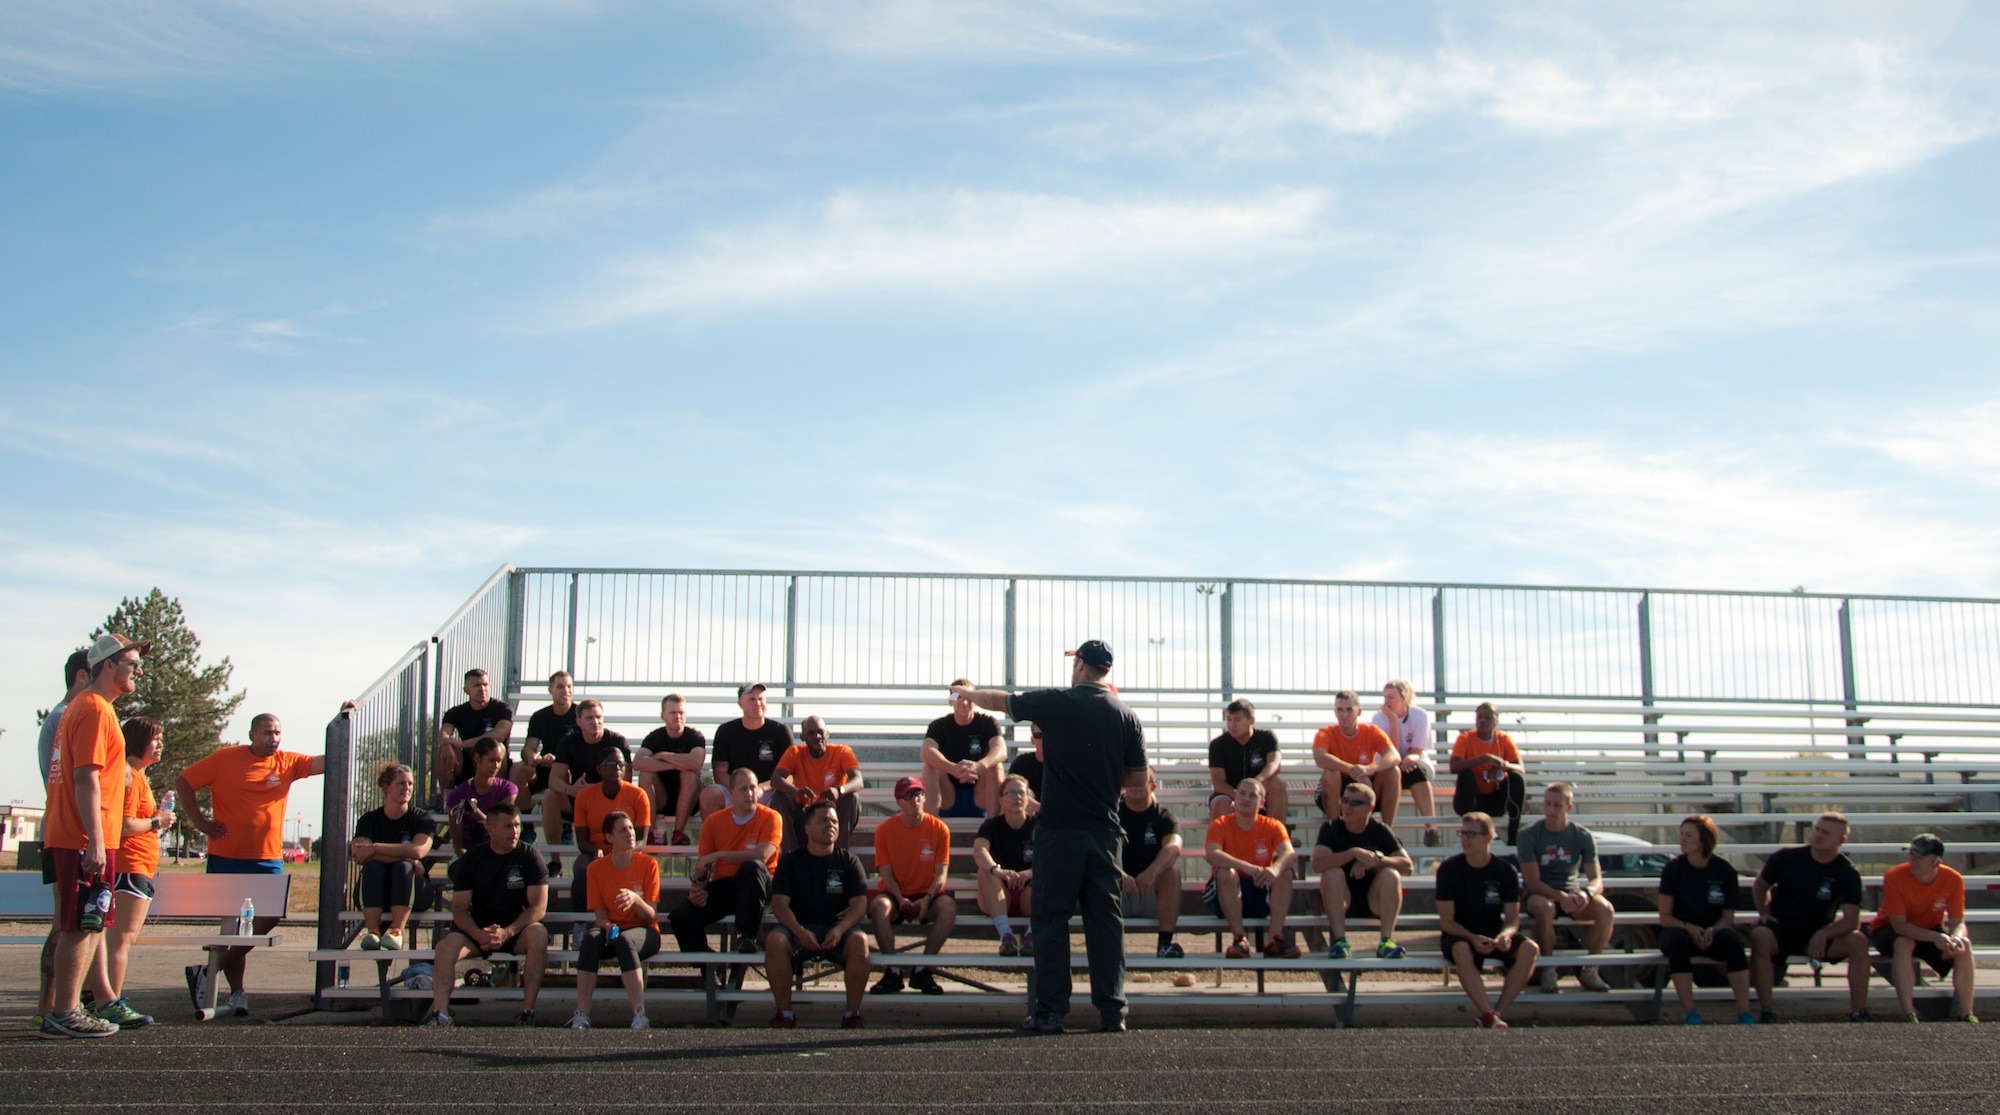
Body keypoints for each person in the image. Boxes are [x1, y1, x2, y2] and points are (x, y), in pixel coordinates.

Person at [954, 639, 1148, 1034]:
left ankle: (1050, 1011)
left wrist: (968, 694)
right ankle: (1113, 1011)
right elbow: (1139, 783)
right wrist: (1106, 780)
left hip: (1060, 830)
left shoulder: (1059, 702)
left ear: (1080, 665)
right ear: (1106, 670)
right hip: (1104, 832)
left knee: (1050, 920)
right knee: (1105, 923)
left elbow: (1003, 701)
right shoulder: (1128, 716)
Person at [177, 711, 325, 1017]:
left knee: (270, 916)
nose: (274, 739)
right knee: (232, 928)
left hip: (267, 858)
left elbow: (328, 760)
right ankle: (237, 992)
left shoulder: (287, 762)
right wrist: (200, 822)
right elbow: (184, 781)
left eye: (278, 733)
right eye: (268, 733)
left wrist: (345, 718)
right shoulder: (225, 759)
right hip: (226, 856)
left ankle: (207, 972)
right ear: (252, 735)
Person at [42, 633, 146, 1038]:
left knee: (88, 922)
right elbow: (85, 777)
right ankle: (64, 1012)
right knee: (78, 924)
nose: (138, 670)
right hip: (83, 837)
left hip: (83, 835)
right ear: (107, 665)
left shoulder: (86, 708)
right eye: (132, 663)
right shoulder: (95, 709)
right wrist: (96, 840)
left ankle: (68, 1010)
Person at [424, 803, 550, 1028]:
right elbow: (460, 908)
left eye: (518, 826)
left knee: (539, 935)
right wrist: (477, 933)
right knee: (445, 947)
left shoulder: (531, 857)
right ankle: (440, 1014)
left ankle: (527, 1013)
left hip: (515, 930)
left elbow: (538, 908)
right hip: (477, 930)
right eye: (508, 826)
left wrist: (507, 932)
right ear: (490, 829)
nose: (515, 832)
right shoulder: (473, 859)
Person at [1749, 811, 1870, 1023]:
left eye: (1826, 832)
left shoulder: (1847, 872)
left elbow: (1852, 920)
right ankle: (1766, 1011)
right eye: (1817, 829)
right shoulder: (1787, 858)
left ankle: (1859, 1012)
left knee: (1858, 941)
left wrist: (1825, 932)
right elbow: (1760, 884)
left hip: (1820, 936)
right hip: (1782, 931)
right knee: (1759, 936)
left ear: (1841, 840)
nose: (1818, 835)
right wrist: (1764, 913)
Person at [765, 799, 871, 1029]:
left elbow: (860, 904)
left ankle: (852, 1014)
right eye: (823, 820)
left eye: (834, 821)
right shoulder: (791, 862)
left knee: (860, 941)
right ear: (807, 828)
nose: (830, 825)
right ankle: (785, 1014)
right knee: (774, 940)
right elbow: (780, 904)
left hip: (837, 931)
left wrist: (840, 929)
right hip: (799, 930)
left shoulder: (849, 862)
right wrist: (799, 931)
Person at [1436, 810, 1539, 1029]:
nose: (1465, 839)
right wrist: (1472, 938)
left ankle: (1495, 1013)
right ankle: (1487, 1012)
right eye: (1462, 834)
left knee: (1530, 948)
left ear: (1489, 837)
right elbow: (1447, 921)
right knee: (1461, 949)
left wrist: (1505, 935)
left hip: (1492, 931)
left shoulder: (1506, 871)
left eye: (1471, 834)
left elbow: (1512, 919)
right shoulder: (1449, 869)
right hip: (1460, 934)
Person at [99, 715, 171, 1030]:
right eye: (155, 739)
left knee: (117, 941)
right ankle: (109, 1002)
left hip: (138, 867)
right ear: (138, 740)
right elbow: (124, 825)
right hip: (129, 867)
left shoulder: (139, 775)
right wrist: (157, 822)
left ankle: (102, 999)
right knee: (120, 941)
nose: (160, 745)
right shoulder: (129, 774)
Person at [34, 649, 92, 1031]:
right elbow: (72, 780)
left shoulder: (64, 715)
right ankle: (50, 1008)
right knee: (65, 923)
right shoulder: (63, 717)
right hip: (67, 832)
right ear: (82, 676)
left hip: (66, 830)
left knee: (70, 922)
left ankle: (53, 1006)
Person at [667, 768, 781, 953]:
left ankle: (746, 936)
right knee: (680, 917)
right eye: (743, 789)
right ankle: (710, 970)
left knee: (753, 867)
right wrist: (698, 888)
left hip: (760, 888)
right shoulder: (714, 822)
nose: (749, 794)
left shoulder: (771, 817)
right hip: (727, 886)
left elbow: (762, 855)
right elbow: (703, 867)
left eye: (752, 788)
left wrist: (719, 855)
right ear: (731, 793)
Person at [566, 811, 661, 1030]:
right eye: (622, 830)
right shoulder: (595, 869)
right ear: (609, 838)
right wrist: (609, 928)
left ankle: (639, 1014)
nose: (630, 833)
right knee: (591, 940)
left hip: (643, 930)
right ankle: (582, 1014)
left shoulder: (648, 865)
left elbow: (651, 915)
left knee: (625, 941)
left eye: (631, 828)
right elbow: (600, 917)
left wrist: (636, 899)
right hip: (613, 929)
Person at [1515, 782, 1613, 993]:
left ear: (1568, 807)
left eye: (1557, 805)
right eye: (1547, 804)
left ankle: (1591, 969)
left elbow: (1596, 880)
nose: (1551, 810)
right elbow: (1533, 882)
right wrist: (1561, 897)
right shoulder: (1528, 835)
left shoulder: (1582, 836)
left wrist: (1585, 893)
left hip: (1571, 891)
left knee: (1605, 910)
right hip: (1541, 893)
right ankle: (1548, 969)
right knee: (1545, 909)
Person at [1657, 814, 1754, 1025]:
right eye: (1681, 834)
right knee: (1677, 942)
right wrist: (1688, 927)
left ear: (1703, 840)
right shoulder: (1673, 869)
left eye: (1688, 835)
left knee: (1733, 942)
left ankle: (1744, 1011)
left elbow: (1728, 917)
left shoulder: (1724, 871)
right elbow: (1664, 917)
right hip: (1680, 930)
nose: (1682, 839)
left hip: (1713, 932)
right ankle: (1690, 1012)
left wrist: (1712, 930)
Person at [1871, 833, 1977, 1024]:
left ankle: (1966, 1012)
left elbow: (1958, 922)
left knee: (1965, 946)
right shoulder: (1895, 877)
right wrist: (1935, 937)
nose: (1913, 860)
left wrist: (1956, 938)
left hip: (1928, 929)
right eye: (1912, 854)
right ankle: (1909, 1012)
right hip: (1889, 929)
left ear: (1936, 861)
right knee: (1904, 943)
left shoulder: (1953, 879)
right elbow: (1899, 925)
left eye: (1919, 856)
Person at [867, 776, 957, 994]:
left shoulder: (939, 829)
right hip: (895, 894)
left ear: (925, 798)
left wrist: (927, 899)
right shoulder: (884, 830)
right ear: (898, 801)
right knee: (879, 907)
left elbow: (941, 874)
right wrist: (901, 900)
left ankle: (923, 970)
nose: (914, 800)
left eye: (918, 794)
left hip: (928, 895)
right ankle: (893, 970)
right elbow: (886, 874)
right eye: (908, 796)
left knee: (949, 908)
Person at [1311, 781, 1411, 961]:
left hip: (1374, 900)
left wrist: (1376, 860)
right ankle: (1340, 942)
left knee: (1391, 874)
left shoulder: (1381, 830)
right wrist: (1353, 853)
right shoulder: (1331, 828)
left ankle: (1386, 942)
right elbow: (1317, 863)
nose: (1347, 806)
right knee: (1332, 873)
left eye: (1355, 803)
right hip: (1342, 900)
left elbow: (1407, 866)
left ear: (1369, 808)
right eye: (1345, 800)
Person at [1204, 779, 1300, 959]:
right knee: (1225, 872)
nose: (1246, 799)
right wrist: (1247, 867)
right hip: (1226, 892)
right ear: (1234, 799)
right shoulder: (1220, 824)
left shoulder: (1273, 825)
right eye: (1242, 793)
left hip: (1259, 887)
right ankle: (1239, 939)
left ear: (1262, 803)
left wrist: (1274, 868)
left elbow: (1289, 854)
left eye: (1253, 795)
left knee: (1285, 872)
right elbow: (1212, 854)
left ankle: (1275, 940)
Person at [349, 761, 436, 951]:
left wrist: (375, 848)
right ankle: (372, 931)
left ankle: (397, 931)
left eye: (410, 784)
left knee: (403, 868)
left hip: (414, 889)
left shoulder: (422, 818)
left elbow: (418, 850)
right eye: (401, 783)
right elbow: (359, 854)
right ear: (386, 787)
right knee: (375, 867)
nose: (407, 788)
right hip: (375, 890)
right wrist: (406, 856)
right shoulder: (369, 819)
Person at [569, 751, 651, 913]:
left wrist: (621, 852)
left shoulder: (638, 795)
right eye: (611, 764)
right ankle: (580, 923)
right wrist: (596, 851)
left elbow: (641, 841)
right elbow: (582, 841)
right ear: (599, 769)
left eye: (621, 764)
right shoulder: (585, 796)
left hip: (627, 852)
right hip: (595, 852)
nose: (617, 768)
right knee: (581, 869)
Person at [546, 699, 631, 853]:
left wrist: (596, 790)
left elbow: (627, 780)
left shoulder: (617, 741)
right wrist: (571, 790)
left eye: (598, 717)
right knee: (551, 797)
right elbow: (554, 780)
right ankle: (555, 861)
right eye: (589, 718)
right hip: (579, 797)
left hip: (611, 798)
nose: (595, 722)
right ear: (578, 721)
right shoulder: (568, 742)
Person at [770, 714, 861, 852]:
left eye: (820, 732)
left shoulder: (842, 752)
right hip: (805, 816)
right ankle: (791, 856)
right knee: (779, 796)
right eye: (811, 733)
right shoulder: (794, 753)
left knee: (852, 798)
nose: (817, 736)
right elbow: (775, 779)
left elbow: (858, 780)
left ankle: (838, 854)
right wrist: (796, 791)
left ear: (827, 734)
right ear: (803, 737)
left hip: (832, 816)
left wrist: (839, 790)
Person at [1118, 768, 1184, 959]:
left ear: (1153, 787)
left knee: (1172, 872)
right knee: (1098, 871)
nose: (1136, 786)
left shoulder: (1164, 817)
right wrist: (1120, 875)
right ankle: (1105, 947)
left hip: (1151, 893)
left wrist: (1151, 873)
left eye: (1143, 781)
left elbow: (1174, 847)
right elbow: (1099, 849)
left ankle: (1165, 943)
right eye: (1132, 781)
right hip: (1118, 891)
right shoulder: (1112, 814)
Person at [1310, 690, 1401, 824]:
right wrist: (1354, 770)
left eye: (1349, 710)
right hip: (1339, 786)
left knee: (1393, 772)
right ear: (1335, 712)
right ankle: (1334, 830)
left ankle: (1387, 831)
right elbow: (1319, 757)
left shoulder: (1372, 731)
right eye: (1340, 710)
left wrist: (1370, 768)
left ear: (1359, 711)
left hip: (1366, 784)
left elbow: (1394, 756)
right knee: (1330, 773)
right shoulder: (1325, 733)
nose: (1344, 715)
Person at [922, 682, 1007, 818]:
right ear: (951, 701)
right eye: (959, 697)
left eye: (968, 696)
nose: (964, 702)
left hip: (979, 795)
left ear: (976, 700)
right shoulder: (939, 725)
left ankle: (994, 827)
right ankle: (931, 828)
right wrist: (953, 769)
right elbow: (926, 751)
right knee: (929, 767)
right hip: (949, 796)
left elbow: (1001, 750)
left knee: (995, 767)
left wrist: (980, 766)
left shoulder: (987, 723)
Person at [975, 775, 1038, 956]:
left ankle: (1032, 937)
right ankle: (1006, 937)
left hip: (1030, 894)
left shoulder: (1039, 826)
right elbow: (980, 851)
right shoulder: (991, 826)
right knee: (985, 871)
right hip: (1000, 894)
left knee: (1047, 873)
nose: (1016, 797)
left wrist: (1031, 873)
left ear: (1028, 798)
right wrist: (998, 871)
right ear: (1001, 799)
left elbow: (1052, 857)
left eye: (1021, 793)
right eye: (1010, 793)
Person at [633, 693, 706, 846]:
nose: (677, 717)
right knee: (646, 775)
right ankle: (651, 833)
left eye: (681, 713)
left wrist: (665, 755)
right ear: (663, 715)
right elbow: (638, 762)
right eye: (673, 713)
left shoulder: (694, 737)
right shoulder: (655, 737)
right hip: (662, 799)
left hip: (690, 800)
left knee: (689, 775)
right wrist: (676, 764)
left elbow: (696, 763)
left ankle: (678, 833)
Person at [709, 682, 793, 815]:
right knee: (710, 794)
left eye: (760, 699)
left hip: (769, 792)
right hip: (735, 792)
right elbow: (720, 773)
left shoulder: (780, 731)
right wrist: (742, 791)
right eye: (752, 699)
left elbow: (790, 776)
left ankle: (779, 836)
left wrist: (761, 788)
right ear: (740, 703)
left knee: (785, 796)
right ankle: (715, 835)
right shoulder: (726, 731)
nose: (757, 703)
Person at [1449, 702, 1526, 844]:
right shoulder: (1465, 738)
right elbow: (1454, 766)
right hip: (1470, 802)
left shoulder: (1504, 739)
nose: (1482, 721)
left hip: (1494, 800)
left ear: (1496, 720)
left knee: (1516, 777)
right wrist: (1485, 758)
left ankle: (1513, 834)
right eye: (1479, 717)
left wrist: (1503, 766)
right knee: (1465, 774)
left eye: (1487, 718)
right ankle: (1473, 831)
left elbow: (1520, 768)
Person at [1372, 680, 1438, 840]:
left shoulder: (1419, 715)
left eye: (1391, 697)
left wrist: (1409, 760)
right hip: (1390, 765)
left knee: (1416, 771)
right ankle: (1387, 831)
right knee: (1390, 772)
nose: (1387, 701)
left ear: (1404, 698)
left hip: (1414, 763)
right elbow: (1391, 752)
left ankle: (1431, 829)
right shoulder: (1379, 718)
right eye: (1385, 697)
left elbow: (1417, 752)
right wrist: (1393, 720)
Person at [435, 668, 513, 802]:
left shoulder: (502, 709)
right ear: (466, 690)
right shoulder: (455, 712)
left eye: (485, 684)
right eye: (477, 685)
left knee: (498, 747)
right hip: (468, 761)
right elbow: (444, 733)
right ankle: (448, 801)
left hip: (496, 763)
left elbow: (499, 734)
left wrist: (461, 744)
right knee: (444, 750)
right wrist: (447, 744)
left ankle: (495, 800)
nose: (482, 689)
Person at [520, 671, 580, 836]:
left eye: (569, 687)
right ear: (550, 690)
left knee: (563, 770)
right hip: (544, 768)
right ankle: (526, 826)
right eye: (560, 687)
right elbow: (529, 747)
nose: (565, 691)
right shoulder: (540, 717)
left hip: (570, 770)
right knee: (518, 770)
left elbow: (584, 750)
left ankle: (566, 824)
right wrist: (532, 756)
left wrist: (558, 760)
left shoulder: (580, 715)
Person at [1208, 698, 1288, 821]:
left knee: (1277, 784)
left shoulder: (1266, 737)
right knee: (1221, 802)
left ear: (1251, 720)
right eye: (1229, 719)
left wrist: (1255, 784)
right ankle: (1218, 840)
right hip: (1229, 793)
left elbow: (1274, 764)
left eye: (1237, 720)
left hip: (1258, 790)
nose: (1232, 725)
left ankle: (1276, 836)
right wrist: (1241, 795)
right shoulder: (1218, 745)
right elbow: (1219, 783)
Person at [443, 739, 518, 856]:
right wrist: (472, 863)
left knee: (482, 827)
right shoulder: (457, 795)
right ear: (477, 758)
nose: (496, 766)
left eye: (499, 761)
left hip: (501, 853)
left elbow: (503, 827)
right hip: (469, 855)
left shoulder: (507, 790)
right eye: (491, 760)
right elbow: (458, 844)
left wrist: (479, 816)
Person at [1008, 724, 1045, 802]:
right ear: (1032, 740)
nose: (1043, 739)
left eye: (1047, 734)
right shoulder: (1022, 764)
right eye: (1038, 735)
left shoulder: (1065, 765)